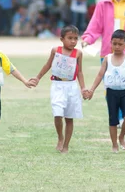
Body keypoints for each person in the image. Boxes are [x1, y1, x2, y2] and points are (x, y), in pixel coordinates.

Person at [30, 25, 86, 153]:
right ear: (62, 39)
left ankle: (66, 145)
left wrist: (83, 88)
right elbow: (48, 65)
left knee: (69, 117)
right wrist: (38, 77)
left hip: (71, 86)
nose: (73, 41)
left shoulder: (78, 53)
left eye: (75, 38)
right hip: (57, 85)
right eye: (70, 38)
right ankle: (60, 137)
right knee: (58, 113)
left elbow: (80, 72)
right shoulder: (56, 51)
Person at [86, 30, 125, 153]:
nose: (117, 47)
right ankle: (114, 144)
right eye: (114, 43)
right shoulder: (107, 59)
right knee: (113, 120)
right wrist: (91, 90)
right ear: (110, 43)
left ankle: (121, 136)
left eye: (120, 44)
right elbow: (100, 75)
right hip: (111, 93)